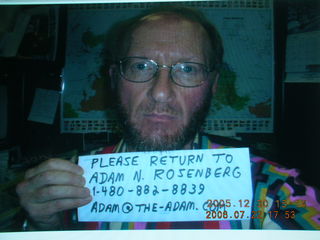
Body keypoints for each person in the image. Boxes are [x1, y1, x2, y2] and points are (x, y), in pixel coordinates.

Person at [16, 6, 320, 230]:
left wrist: (270, 214)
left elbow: (291, 216)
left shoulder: (272, 190)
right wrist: (48, 226)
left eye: (188, 69)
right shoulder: (66, 187)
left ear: (212, 85)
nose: (161, 92)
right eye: (140, 66)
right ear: (114, 78)